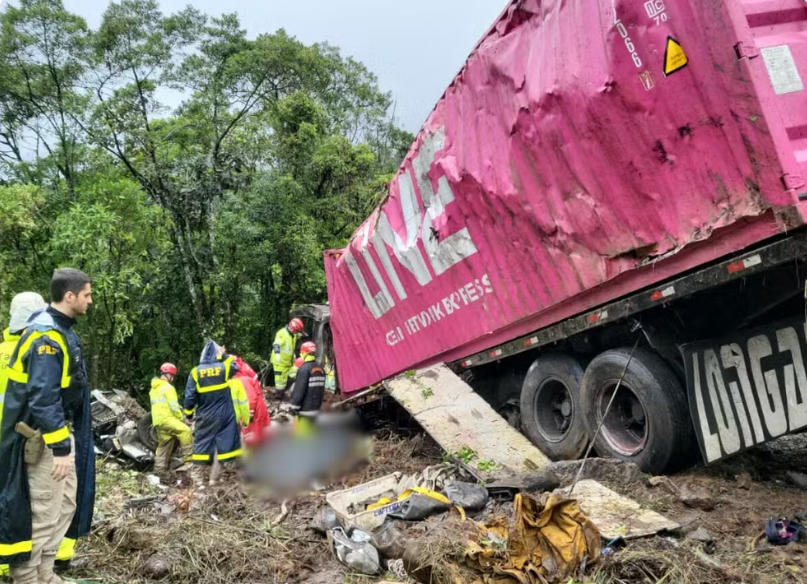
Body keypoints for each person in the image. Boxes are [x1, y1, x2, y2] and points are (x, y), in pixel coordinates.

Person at [0, 268, 95, 584]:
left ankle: (45, 572)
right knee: (42, 509)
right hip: (41, 439)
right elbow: (43, 398)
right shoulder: (46, 338)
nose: (90, 301)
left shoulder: (61, 330)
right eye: (87, 295)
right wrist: (61, 447)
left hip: (57, 433)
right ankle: (26, 576)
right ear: (70, 296)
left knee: (65, 504)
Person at [184, 341, 241, 487]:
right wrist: (224, 355)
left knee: (201, 444)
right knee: (223, 443)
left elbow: (189, 397)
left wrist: (189, 415)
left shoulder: (195, 372)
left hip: (206, 414)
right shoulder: (223, 367)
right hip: (225, 416)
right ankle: (215, 478)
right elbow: (235, 366)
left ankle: (197, 478)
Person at [149, 363, 193, 477]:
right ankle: (189, 462)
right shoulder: (168, 388)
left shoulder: (154, 388)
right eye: (172, 375)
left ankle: (159, 471)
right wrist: (182, 419)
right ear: (168, 374)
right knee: (185, 431)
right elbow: (174, 407)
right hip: (167, 419)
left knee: (165, 444)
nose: (173, 378)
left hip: (158, 421)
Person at [231, 356, 269, 448]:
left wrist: (248, 415)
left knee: (252, 437)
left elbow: (250, 399)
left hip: (252, 412)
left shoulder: (240, 380)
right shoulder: (243, 374)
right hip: (256, 410)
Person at [288, 342, 326, 422]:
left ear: (304, 353)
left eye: (301, 353)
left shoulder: (304, 369)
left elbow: (299, 391)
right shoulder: (321, 369)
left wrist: (293, 408)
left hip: (305, 410)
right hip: (316, 408)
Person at [271, 318, 304, 399]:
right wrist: (277, 354)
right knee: (280, 383)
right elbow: (276, 344)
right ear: (292, 328)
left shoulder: (293, 335)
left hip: (289, 362)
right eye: (296, 331)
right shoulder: (282, 333)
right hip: (280, 362)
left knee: (295, 374)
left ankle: (285, 392)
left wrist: (293, 355)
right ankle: (278, 397)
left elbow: (290, 347)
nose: (296, 333)